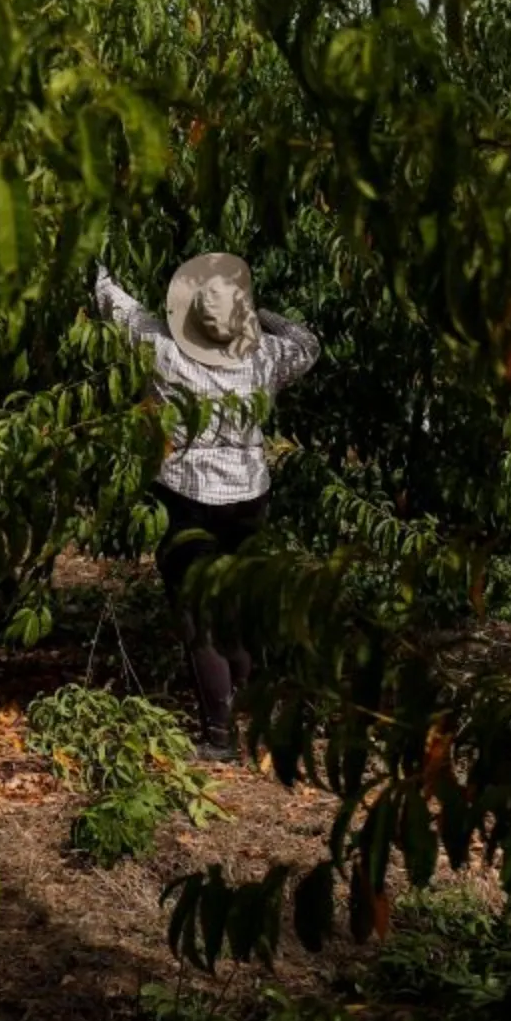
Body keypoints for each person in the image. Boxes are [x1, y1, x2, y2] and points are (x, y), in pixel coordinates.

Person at [93, 252, 320, 760]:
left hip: (187, 498)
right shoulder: (265, 359)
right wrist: (260, 316)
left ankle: (219, 735)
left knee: (199, 618)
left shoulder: (162, 351)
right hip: (249, 497)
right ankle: (238, 707)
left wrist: (97, 261)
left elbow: (116, 305)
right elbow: (308, 342)